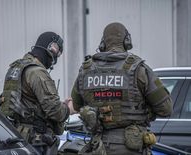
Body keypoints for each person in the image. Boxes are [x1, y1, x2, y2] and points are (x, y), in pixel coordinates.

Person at [71, 22, 173, 155]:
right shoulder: (139, 70)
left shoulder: (85, 71)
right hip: (130, 147)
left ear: (103, 44)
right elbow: (166, 108)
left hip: (98, 146)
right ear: (127, 41)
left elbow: (77, 105)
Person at [0, 32, 75, 155]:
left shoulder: (16, 67)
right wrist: (68, 109)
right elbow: (55, 111)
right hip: (36, 140)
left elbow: (29, 103)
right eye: (57, 54)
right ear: (52, 49)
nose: (54, 61)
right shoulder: (37, 72)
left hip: (17, 134)